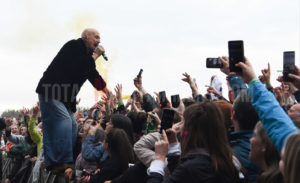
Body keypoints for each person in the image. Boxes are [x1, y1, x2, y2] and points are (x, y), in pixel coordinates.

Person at [35, 28, 108, 174]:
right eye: (96, 37)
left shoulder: (87, 58)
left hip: (64, 98)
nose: (99, 41)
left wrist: (107, 91)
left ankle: (60, 161)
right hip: (51, 90)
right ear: (86, 36)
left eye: (100, 38)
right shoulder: (73, 46)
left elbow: (92, 74)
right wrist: (94, 56)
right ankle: (60, 162)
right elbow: (77, 66)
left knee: (73, 126)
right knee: (64, 122)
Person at [147, 102, 243, 183]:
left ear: (190, 130)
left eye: (183, 122)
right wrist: (173, 144)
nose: (179, 126)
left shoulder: (192, 169)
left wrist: (159, 159)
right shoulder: (231, 161)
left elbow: (186, 172)